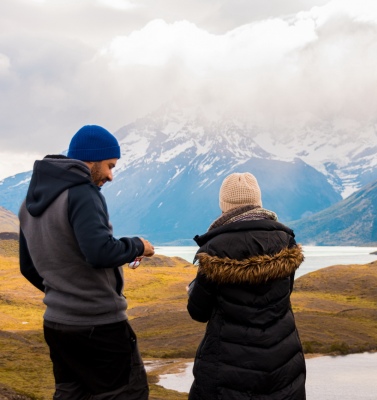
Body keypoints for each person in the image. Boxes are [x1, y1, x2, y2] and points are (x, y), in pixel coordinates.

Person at [19, 124, 155, 399]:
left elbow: (28, 266)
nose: (110, 175)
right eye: (109, 165)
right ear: (91, 159)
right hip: (100, 326)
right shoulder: (83, 192)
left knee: (71, 393)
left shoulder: (30, 202)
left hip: (57, 326)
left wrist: (63, 294)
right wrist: (139, 245)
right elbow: (100, 252)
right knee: (126, 393)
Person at [187, 172, 306, 400]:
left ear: (225, 206)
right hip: (283, 361)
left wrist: (194, 290)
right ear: (258, 202)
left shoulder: (214, 249)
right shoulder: (286, 242)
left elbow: (198, 312)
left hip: (227, 367)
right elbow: (283, 295)